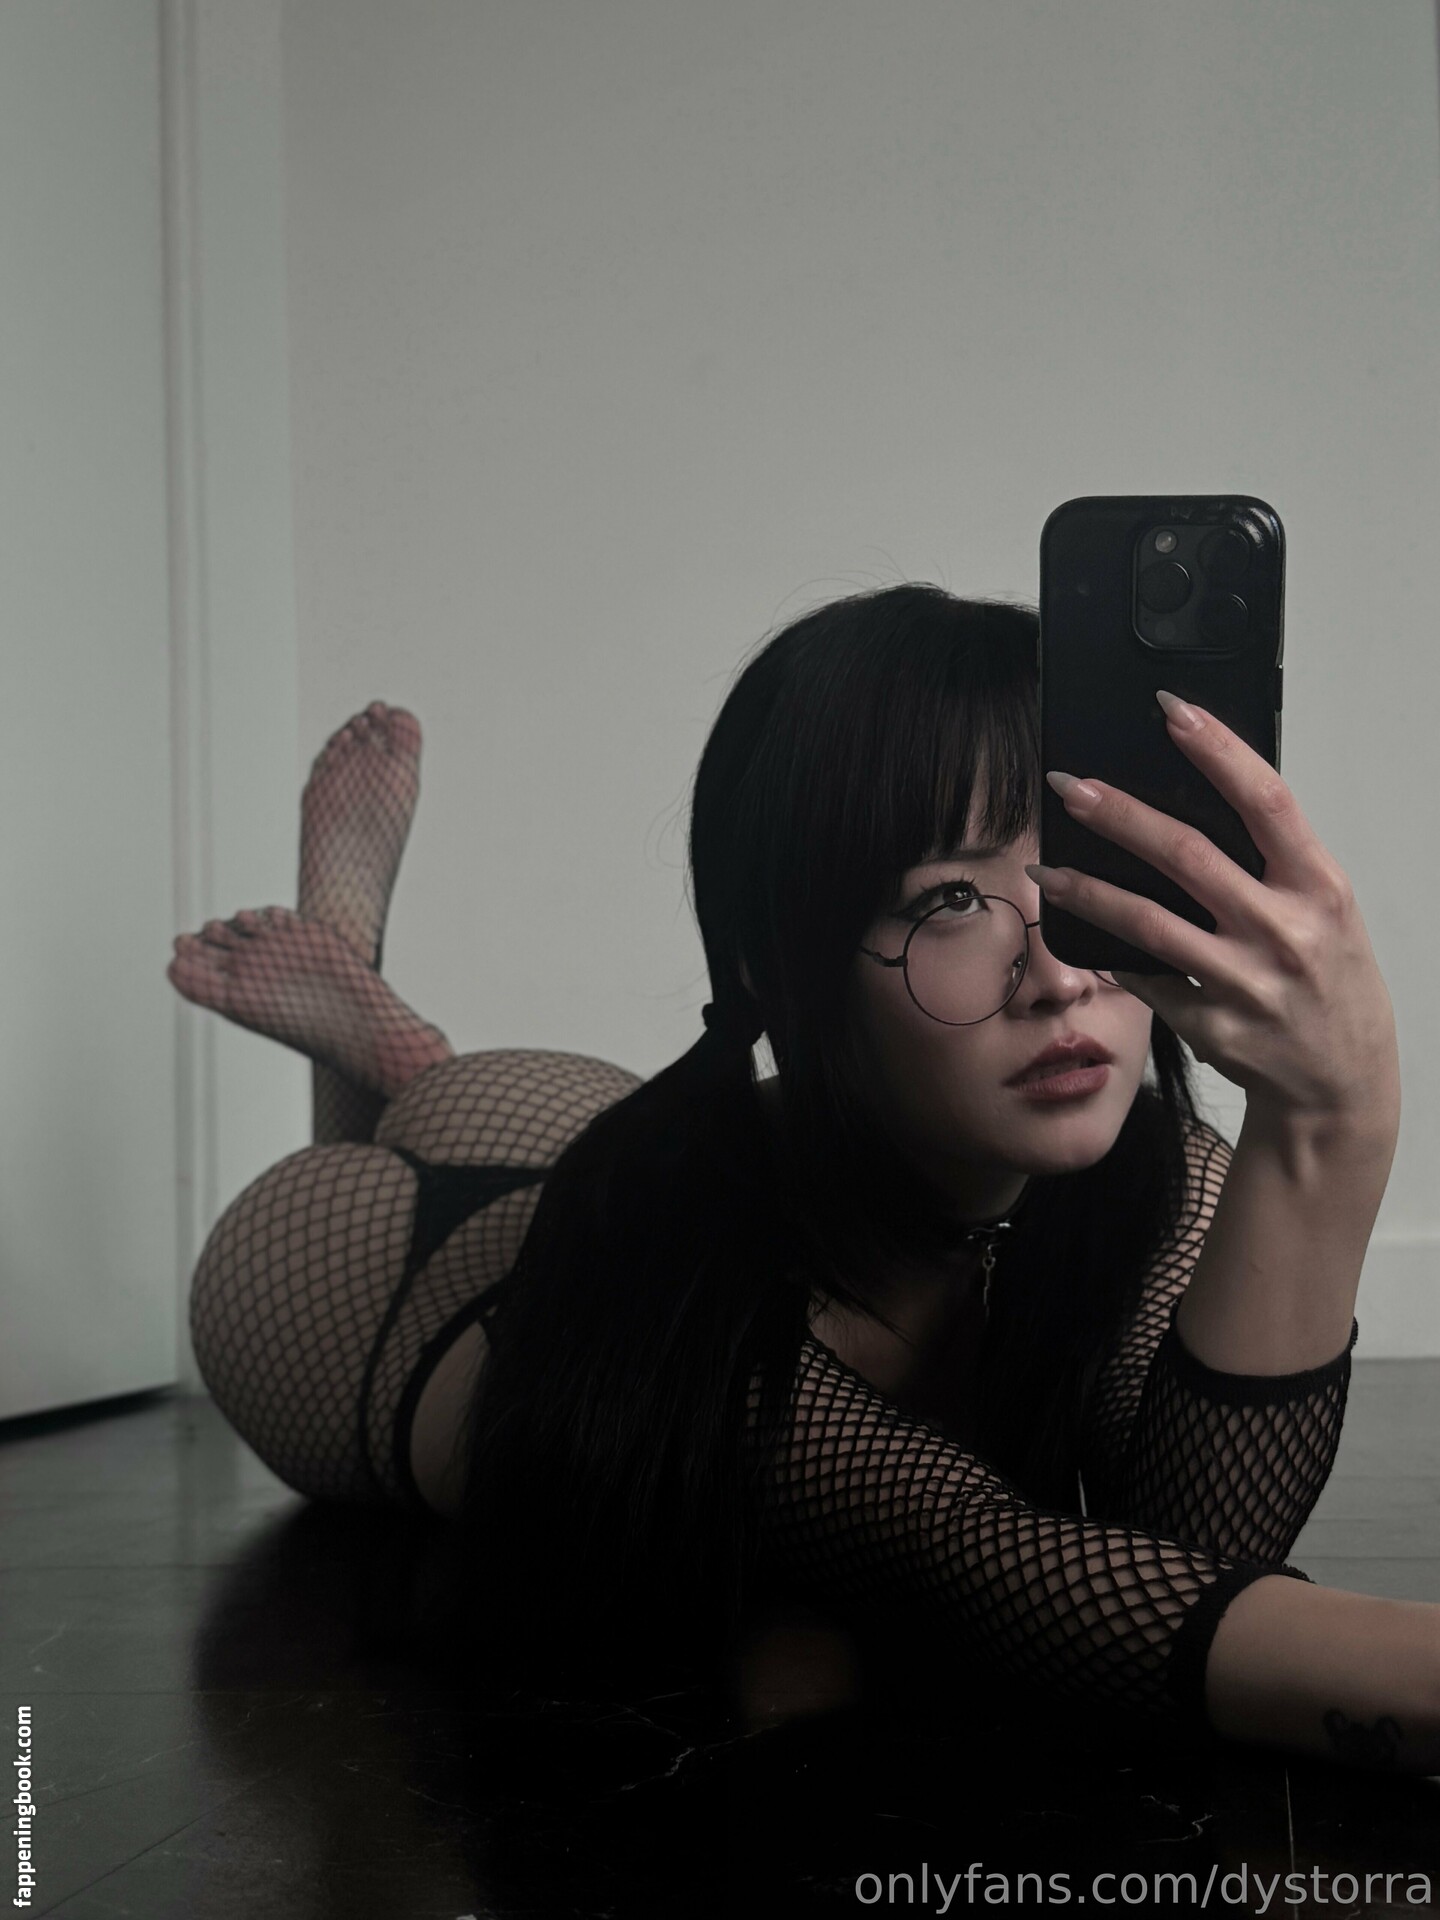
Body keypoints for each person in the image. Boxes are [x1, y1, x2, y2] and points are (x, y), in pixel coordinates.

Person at [170, 585, 1437, 1771]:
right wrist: (1348, 1114)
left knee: (568, 1126)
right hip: (377, 1280)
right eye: (951, 898)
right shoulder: (713, 1314)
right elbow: (1008, 1568)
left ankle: (390, 1041)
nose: (1060, 976)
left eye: (1078, 881)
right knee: (470, 1173)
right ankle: (362, 1022)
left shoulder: (1162, 1179)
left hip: (600, 1124)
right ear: (779, 968)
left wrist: (1326, 1124)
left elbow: (1196, 1552)